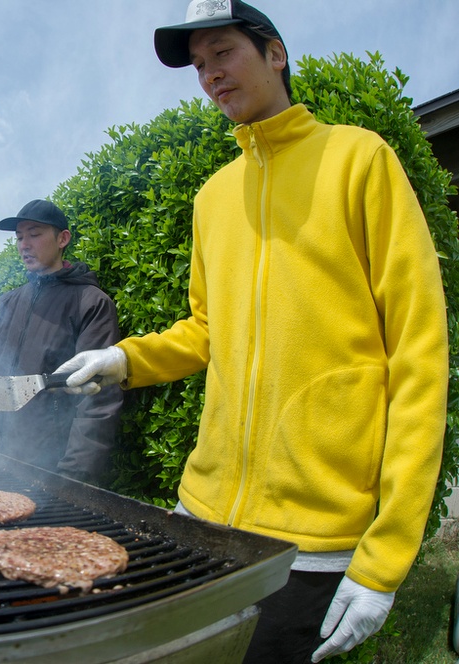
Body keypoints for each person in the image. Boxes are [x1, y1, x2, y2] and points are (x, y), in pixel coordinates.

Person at [56, 2, 448, 661]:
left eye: (223, 52)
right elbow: (205, 330)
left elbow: (419, 352)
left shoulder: (360, 159)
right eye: (200, 66)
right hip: (199, 516)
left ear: (275, 53)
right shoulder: (213, 197)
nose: (210, 74)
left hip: (312, 542)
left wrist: (385, 557)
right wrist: (124, 359)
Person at [0, 199, 124, 483]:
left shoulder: (91, 303)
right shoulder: (6, 303)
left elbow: (99, 399)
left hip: (46, 469)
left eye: (34, 234)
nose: (24, 244)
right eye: (19, 237)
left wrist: (73, 476)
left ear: (62, 238)